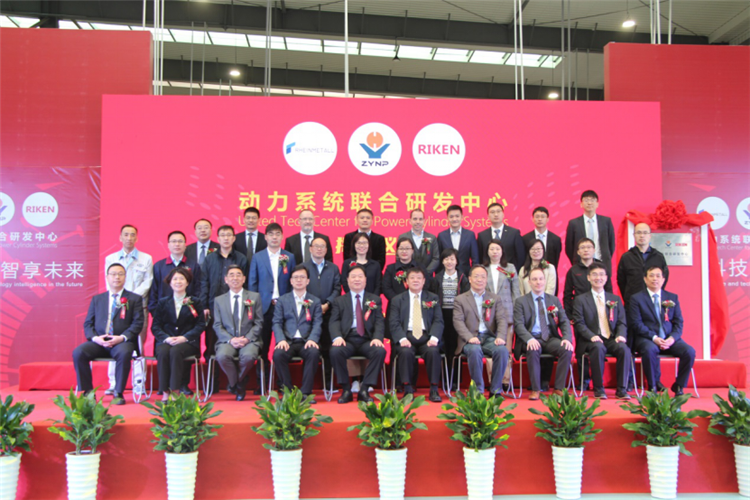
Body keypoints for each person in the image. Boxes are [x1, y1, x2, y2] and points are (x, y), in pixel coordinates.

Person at [73, 263, 144, 405]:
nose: (117, 277)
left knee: (124, 353)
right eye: (113, 274)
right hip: (100, 342)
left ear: (125, 277)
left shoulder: (134, 299)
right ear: (107, 277)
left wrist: (121, 337)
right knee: (78, 353)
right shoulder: (97, 299)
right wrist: (95, 338)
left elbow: (138, 323)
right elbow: (88, 323)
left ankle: (118, 392)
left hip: (121, 342)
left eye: (120, 274)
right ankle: (88, 392)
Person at [627, 266, 695, 396]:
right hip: (647, 338)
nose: (655, 279)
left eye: (658, 276)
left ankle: (679, 385)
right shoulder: (636, 298)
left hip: (669, 338)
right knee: (649, 350)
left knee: (689, 352)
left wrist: (672, 339)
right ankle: (652, 386)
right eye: (651, 276)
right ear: (645, 279)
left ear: (663, 279)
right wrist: (654, 338)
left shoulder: (672, 297)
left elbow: (678, 322)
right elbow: (636, 323)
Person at [103, 224, 152, 397]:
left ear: (137, 238)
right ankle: (113, 383)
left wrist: (131, 299)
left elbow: (147, 282)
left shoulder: (146, 258)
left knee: (138, 344)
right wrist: (120, 298)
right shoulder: (111, 258)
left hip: (138, 307)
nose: (129, 238)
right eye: (126, 234)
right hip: (116, 307)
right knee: (112, 342)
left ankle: (139, 383)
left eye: (132, 235)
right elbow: (109, 282)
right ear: (120, 237)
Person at [199, 225, 249, 393]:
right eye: (222, 235)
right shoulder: (209, 259)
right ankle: (212, 384)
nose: (226, 238)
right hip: (214, 308)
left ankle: (237, 383)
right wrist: (205, 305)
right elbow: (204, 283)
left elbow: (246, 284)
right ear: (218, 238)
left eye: (229, 235)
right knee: (212, 345)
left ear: (234, 238)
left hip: (237, 308)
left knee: (239, 345)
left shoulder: (241, 258)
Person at [572, 263, 632, 400]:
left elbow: (622, 321)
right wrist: (591, 336)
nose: (598, 278)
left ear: (606, 278)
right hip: (590, 340)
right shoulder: (580, 300)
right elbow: (579, 323)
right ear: (588, 278)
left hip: (611, 338)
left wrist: (620, 335)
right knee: (598, 348)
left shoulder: (615, 299)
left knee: (624, 349)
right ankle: (599, 388)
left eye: (601, 275)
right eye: (594, 274)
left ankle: (622, 389)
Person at [328, 264, 387, 403]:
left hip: (367, 339)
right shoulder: (339, 301)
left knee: (379, 351)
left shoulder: (375, 299)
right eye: (353, 276)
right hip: (347, 339)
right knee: (335, 351)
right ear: (347, 280)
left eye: (360, 276)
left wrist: (377, 338)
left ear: (365, 280)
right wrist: (337, 337)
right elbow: (334, 321)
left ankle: (364, 389)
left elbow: (379, 321)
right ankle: (346, 390)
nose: (357, 279)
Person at [513, 267, 574, 400]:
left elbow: (564, 321)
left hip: (550, 338)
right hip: (532, 337)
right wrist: (529, 339)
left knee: (566, 349)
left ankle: (558, 388)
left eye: (541, 279)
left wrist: (566, 338)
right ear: (529, 282)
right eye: (534, 279)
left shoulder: (554, 300)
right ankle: (536, 389)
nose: (538, 282)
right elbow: (518, 325)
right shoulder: (521, 301)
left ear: (545, 281)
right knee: (533, 348)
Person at [248, 222, 296, 387]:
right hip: (264, 308)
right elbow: (252, 284)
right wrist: (254, 307)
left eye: (277, 234)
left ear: (282, 237)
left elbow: (293, 282)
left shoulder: (289, 257)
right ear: (265, 237)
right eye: (271, 234)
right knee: (262, 347)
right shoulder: (258, 257)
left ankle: (282, 384)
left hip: (284, 307)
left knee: (282, 347)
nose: (274, 237)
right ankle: (261, 383)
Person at [389, 267, 444, 402]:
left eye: (419, 278)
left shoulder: (432, 298)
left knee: (433, 351)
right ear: (406, 281)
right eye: (412, 278)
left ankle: (434, 389)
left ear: (424, 281)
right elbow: (394, 322)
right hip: (407, 336)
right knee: (405, 352)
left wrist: (434, 337)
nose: (415, 280)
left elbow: (438, 320)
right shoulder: (397, 300)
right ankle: (408, 389)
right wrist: (402, 339)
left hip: (427, 336)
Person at [452, 265, 509, 395]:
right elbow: (458, 321)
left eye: (483, 277)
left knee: (502, 351)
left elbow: (501, 320)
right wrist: (469, 337)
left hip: (489, 338)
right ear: (470, 279)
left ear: (486, 279)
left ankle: (496, 390)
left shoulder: (495, 298)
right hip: (470, 339)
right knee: (474, 350)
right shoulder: (460, 299)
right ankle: (478, 391)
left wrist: (500, 337)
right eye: (476, 276)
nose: (480, 280)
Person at [151, 267, 206, 401]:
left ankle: (175, 391)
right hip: (167, 340)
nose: (178, 281)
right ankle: (165, 391)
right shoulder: (163, 302)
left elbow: (200, 325)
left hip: (188, 342)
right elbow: (155, 326)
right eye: (175, 279)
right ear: (170, 283)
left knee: (176, 351)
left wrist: (184, 337)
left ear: (187, 282)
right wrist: (166, 338)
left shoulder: (195, 302)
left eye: (182, 278)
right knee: (163, 352)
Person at [272, 265, 323, 402]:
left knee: (313, 353)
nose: (299, 280)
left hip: (307, 341)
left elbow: (317, 323)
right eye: (295, 277)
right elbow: (276, 322)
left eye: (302, 277)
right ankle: (288, 392)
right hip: (288, 341)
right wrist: (281, 339)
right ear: (291, 281)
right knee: (278, 354)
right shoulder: (282, 300)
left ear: (308, 281)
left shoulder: (315, 301)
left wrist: (312, 339)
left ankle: (305, 393)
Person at [213, 264, 263, 401]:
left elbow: (259, 322)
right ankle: (239, 383)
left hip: (249, 340)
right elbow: (217, 324)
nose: (235, 278)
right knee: (222, 356)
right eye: (231, 275)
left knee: (248, 356)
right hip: (227, 340)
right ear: (226, 279)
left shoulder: (254, 297)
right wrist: (230, 339)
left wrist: (247, 338)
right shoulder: (219, 300)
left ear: (244, 279)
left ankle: (234, 383)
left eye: (238, 275)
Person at [340, 232, 382, 393]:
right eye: (358, 243)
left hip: (370, 305)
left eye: (365, 243)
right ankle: (354, 380)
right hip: (352, 302)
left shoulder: (375, 264)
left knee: (369, 340)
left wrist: (371, 302)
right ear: (354, 245)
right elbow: (345, 282)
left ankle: (366, 380)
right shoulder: (348, 263)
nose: (361, 246)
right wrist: (354, 297)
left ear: (369, 246)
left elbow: (377, 284)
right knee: (351, 338)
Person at [428, 248, 470, 390]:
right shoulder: (437, 278)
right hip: (442, 315)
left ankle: (456, 380)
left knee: (457, 348)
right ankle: (444, 380)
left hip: (458, 316)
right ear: (442, 261)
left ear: (457, 261)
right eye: (446, 259)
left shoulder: (463, 278)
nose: (449, 262)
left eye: (452, 259)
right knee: (444, 347)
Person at [303, 237, 341, 381]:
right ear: (310, 249)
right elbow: (300, 289)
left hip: (328, 312)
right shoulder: (303, 268)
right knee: (309, 348)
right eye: (316, 246)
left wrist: (327, 304)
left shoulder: (333, 268)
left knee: (327, 348)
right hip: (308, 313)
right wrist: (313, 306)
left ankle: (328, 381)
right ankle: (308, 383)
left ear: (326, 250)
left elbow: (337, 288)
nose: (319, 249)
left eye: (322, 246)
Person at [484, 239, 520, 390]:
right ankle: (493, 381)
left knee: (506, 348)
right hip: (488, 313)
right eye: (492, 249)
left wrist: (517, 312)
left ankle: (505, 380)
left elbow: (515, 291)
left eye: (497, 249)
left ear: (502, 251)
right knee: (491, 349)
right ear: (487, 251)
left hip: (506, 312)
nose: (494, 252)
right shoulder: (483, 268)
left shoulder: (509, 267)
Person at [617, 222, 670, 306]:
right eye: (639, 233)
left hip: (653, 301)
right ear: (634, 235)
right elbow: (621, 281)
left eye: (645, 233)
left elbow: (664, 277)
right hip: (632, 302)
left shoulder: (658, 256)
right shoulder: (626, 257)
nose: (642, 236)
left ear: (650, 235)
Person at [565, 190, 615, 276]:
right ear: (581, 204)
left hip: (602, 264)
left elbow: (611, 244)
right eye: (586, 200)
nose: (589, 203)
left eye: (592, 200)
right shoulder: (574, 223)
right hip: (581, 265)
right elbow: (569, 247)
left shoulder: (606, 221)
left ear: (597, 204)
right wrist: (577, 260)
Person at [149, 230, 202, 313]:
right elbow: (153, 291)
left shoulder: (194, 265)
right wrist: (155, 312)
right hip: (164, 312)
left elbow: (198, 290)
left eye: (180, 241)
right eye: (173, 241)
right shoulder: (159, 266)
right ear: (168, 245)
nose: (177, 244)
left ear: (185, 245)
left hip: (188, 312)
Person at [522, 207, 562, 294]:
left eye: (543, 216)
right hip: (530, 277)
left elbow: (556, 260)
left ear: (547, 219)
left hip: (549, 277)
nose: (540, 219)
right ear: (532, 219)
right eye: (537, 217)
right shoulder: (525, 239)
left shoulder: (556, 239)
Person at [477, 202, 525, 270]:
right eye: (492, 212)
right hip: (488, 272)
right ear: (488, 216)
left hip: (508, 272)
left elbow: (520, 256)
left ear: (503, 214)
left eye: (498, 211)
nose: (496, 214)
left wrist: (513, 272)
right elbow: (480, 257)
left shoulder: (514, 233)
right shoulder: (482, 235)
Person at [437, 205, 479, 277]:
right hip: (446, 275)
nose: (454, 219)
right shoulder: (441, 236)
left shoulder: (470, 235)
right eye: (451, 217)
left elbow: (475, 259)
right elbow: (439, 259)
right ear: (447, 218)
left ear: (462, 217)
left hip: (465, 275)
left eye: (457, 216)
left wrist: (473, 275)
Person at [383, 237, 428, 303]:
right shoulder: (390, 268)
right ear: (397, 251)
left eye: (407, 248)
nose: (404, 251)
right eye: (401, 248)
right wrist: (398, 301)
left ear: (412, 250)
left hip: (416, 302)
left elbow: (426, 285)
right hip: (396, 304)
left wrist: (414, 298)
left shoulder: (420, 267)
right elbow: (386, 288)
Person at [398, 209, 439, 275]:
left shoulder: (432, 238)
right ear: (410, 221)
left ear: (424, 221)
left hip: (427, 277)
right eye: (415, 219)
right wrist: (408, 275)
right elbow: (398, 257)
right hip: (408, 277)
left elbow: (436, 258)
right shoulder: (402, 237)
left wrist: (425, 273)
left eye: (420, 219)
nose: (418, 222)